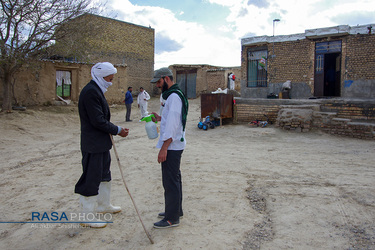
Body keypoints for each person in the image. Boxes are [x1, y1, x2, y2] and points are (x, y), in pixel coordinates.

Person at [75, 62, 129, 228]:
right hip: (93, 144)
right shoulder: (91, 92)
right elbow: (98, 120)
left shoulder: (97, 89)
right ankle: (87, 216)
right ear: (100, 76)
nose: (111, 81)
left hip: (102, 143)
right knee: (91, 177)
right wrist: (117, 130)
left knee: (104, 173)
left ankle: (103, 205)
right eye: (109, 77)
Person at [150, 67, 189, 229]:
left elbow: (173, 125)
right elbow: (172, 118)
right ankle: (176, 210)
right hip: (175, 144)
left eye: (159, 82)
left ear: (166, 79)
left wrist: (164, 148)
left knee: (170, 181)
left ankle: (171, 218)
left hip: (172, 146)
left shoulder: (173, 97)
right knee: (175, 178)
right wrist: (160, 117)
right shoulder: (172, 95)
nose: (158, 85)